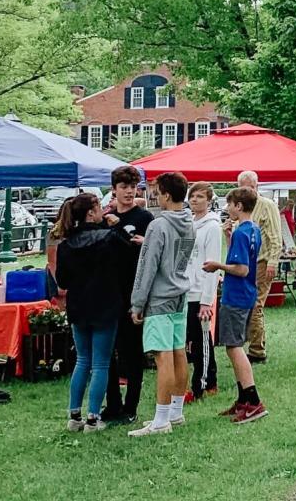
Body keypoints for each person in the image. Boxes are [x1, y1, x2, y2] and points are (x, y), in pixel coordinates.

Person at [53, 193, 132, 433]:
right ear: (91, 212)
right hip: (105, 305)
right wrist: (118, 228)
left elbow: (63, 280)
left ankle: (74, 414)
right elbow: (127, 261)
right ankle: (93, 417)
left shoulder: (66, 244)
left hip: (79, 306)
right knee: (100, 363)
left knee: (82, 360)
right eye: (99, 207)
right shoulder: (108, 238)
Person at [127, 171, 195, 437]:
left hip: (159, 298)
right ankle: (176, 412)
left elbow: (147, 266)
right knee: (179, 352)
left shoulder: (158, 225)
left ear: (166, 195)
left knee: (162, 356)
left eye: (157, 192)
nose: (155, 196)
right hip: (180, 293)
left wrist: (137, 303)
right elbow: (181, 259)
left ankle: (160, 419)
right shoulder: (189, 221)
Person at [204, 187, 267, 424]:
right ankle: (242, 400)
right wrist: (229, 238)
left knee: (234, 346)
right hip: (247, 294)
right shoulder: (252, 230)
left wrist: (218, 266)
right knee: (234, 344)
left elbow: (242, 269)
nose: (227, 208)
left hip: (236, 296)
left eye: (229, 204)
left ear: (239, 206)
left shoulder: (242, 232)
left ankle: (253, 400)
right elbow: (244, 258)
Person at [101, 165, 153, 426]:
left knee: (132, 353)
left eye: (133, 187)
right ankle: (112, 403)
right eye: (124, 187)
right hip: (108, 291)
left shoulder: (145, 218)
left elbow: (150, 254)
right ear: (114, 190)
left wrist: (141, 240)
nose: (129, 192)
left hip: (133, 292)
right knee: (107, 352)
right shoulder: (105, 217)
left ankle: (131, 406)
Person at [239, 170, 283, 365]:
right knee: (249, 303)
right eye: (243, 187)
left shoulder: (267, 205)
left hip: (262, 261)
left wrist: (273, 262)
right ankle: (255, 343)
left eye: (250, 186)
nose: (247, 190)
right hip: (246, 263)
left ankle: (257, 350)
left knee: (255, 303)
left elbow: (275, 236)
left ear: (257, 186)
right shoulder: (241, 206)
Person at [185, 182, 222, 401]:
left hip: (201, 290)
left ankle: (205, 382)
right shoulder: (189, 223)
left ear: (209, 201)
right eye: (193, 196)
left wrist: (207, 300)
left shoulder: (212, 226)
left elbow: (212, 263)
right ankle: (204, 379)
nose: (195, 200)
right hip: (186, 288)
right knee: (192, 338)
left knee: (201, 339)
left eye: (200, 197)